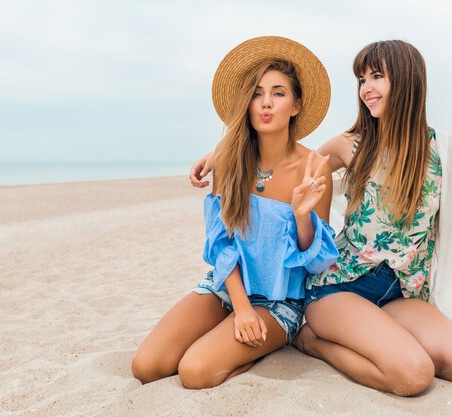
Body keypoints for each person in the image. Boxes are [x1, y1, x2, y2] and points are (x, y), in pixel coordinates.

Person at [189, 40, 452, 396]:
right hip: (340, 287)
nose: (366, 88)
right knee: (414, 376)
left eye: (376, 77)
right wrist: (221, 151)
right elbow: (285, 158)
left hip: (402, 293)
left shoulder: (445, 151)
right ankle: (313, 342)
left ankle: (373, 333)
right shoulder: (350, 144)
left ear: (408, 80)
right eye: (361, 79)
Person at [132, 36, 338, 389]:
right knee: (146, 366)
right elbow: (220, 243)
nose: (266, 103)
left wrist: (302, 217)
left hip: (279, 302)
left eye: (278, 93)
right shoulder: (228, 159)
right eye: (257, 93)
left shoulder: (314, 169)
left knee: (195, 372)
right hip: (226, 288)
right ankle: (227, 334)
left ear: (296, 105)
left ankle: (258, 348)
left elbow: (315, 263)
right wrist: (240, 307)